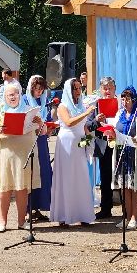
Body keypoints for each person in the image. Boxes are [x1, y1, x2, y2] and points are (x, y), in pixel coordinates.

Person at [0, 81, 37, 232]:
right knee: (4, 189)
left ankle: (22, 221)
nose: (13, 97)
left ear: (20, 95)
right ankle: (2, 221)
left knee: (22, 188)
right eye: (10, 94)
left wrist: (40, 123)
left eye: (15, 94)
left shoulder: (29, 111)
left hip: (23, 156)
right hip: (5, 156)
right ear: (4, 97)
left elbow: (44, 130)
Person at [50, 76, 96, 226]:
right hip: (67, 143)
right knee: (67, 178)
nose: (78, 91)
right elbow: (69, 122)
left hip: (80, 144)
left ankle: (82, 214)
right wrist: (87, 113)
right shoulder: (63, 106)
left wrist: (89, 136)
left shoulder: (81, 106)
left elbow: (83, 126)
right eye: (74, 88)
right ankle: (64, 215)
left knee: (81, 177)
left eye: (79, 88)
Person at [113, 87, 137, 228]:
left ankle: (134, 217)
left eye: (127, 99)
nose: (125, 102)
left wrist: (135, 139)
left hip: (135, 153)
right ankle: (126, 217)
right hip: (122, 153)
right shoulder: (119, 113)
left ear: (134, 100)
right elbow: (115, 129)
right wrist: (111, 135)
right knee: (124, 186)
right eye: (123, 99)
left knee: (135, 186)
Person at [24, 75, 55, 218]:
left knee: (43, 173)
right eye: (36, 89)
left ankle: (38, 207)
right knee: (31, 173)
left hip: (42, 141)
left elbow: (48, 119)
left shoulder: (44, 102)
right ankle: (28, 208)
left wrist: (50, 128)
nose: (39, 92)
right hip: (30, 140)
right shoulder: (25, 100)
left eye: (41, 89)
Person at [91, 75, 120, 220]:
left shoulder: (121, 102)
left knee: (122, 175)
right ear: (101, 90)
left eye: (110, 88)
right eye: (105, 88)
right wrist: (97, 120)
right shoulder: (95, 104)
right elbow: (89, 125)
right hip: (103, 143)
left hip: (119, 142)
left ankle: (126, 209)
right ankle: (106, 208)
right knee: (105, 176)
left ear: (115, 89)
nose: (108, 91)